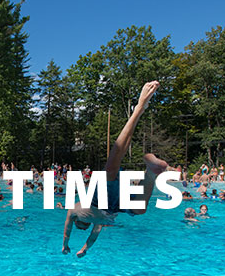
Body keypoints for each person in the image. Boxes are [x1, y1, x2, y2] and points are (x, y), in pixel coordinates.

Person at [62, 81, 169, 258]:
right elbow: (92, 237)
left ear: (78, 221)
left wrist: (65, 244)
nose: (85, 224)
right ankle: (151, 171)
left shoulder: (74, 211)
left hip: (99, 201)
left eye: (82, 223)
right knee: (140, 209)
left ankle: (138, 110)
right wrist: (84, 249)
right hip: (114, 208)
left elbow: (67, 230)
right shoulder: (94, 223)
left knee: (111, 169)